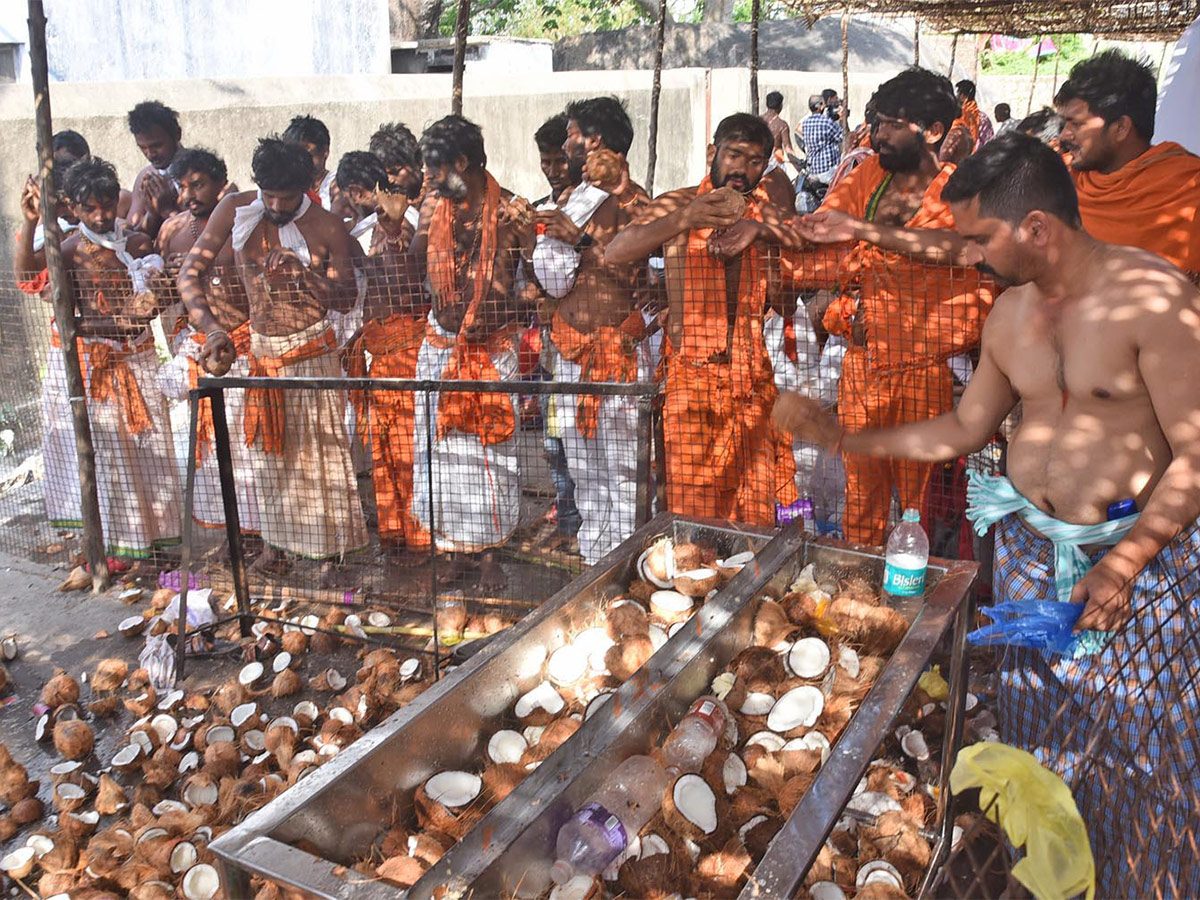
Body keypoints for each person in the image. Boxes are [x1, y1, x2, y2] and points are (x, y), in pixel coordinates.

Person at [774, 133, 1200, 899]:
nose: (967, 255)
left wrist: (1125, 562)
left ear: (1036, 227)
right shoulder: (1008, 314)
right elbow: (964, 430)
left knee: (1143, 756)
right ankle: (1051, 879)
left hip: (1137, 563)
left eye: (978, 237)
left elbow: (1195, 458)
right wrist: (844, 436)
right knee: (1041, 738)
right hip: (1034, 558)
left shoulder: (1156, 297)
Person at [789, 67, 995, 547]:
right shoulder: (868, 177)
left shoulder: (959, 188)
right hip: (862, 366)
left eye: (890, 124)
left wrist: (864, 232)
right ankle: (859, 588)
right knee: (861, 493)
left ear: (933, 131)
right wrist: (766, 230)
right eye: (877, 122)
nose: (876, 134)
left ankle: (913, 600)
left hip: (924, 372)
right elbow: (823, 228)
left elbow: (957, 249)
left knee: (918, 502)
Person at [179, 137, 367, 573]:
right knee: (268, 458)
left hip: (311, 356)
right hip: (262, 355)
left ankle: (330, 558)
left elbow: (344, 298)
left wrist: (306, 277)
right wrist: (211, 330)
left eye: (286, 197)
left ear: (306, 188)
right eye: (269, 194)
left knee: (320, 461)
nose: (276, 205)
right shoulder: (235, 209)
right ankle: (275, 551)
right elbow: (191, 272)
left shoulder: (327, 226)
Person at [606, 113, 800, 525]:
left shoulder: (765, 217)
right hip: (689, 378)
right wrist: (686, 219)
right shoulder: (679, 203)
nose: (742, 169)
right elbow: (616, 251)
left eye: (754, 161)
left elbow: (790, 291)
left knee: (755, 509)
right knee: (692, 510)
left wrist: (763, 235)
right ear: (713, 153)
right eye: (734, 155)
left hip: (750, 378)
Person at [409, 115, 531, 589]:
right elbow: (409, 271)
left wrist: (496, 309)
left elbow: (529, 282)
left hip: (488, 353)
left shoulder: (511, 211)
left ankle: (488, 559)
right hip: (438, 345)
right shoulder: (435, 209)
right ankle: (453, 553)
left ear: (462, 163)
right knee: (439, 454)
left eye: (434, 168)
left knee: (490, 456)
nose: (427, 179)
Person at [535, 104, 643, 564]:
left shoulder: (632, 200)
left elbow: (641, 278)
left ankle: (629, 565)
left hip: (616, 355)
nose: (564, 145)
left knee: (623, 471)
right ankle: (598, 564)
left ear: (595, 141)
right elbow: (555, 282)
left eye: (573, 135)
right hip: (573, 353)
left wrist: (581, 241)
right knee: (582, 469)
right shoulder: (574, 199)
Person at [59, 158, 180, 558]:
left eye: (107, 204)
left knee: (155, 454)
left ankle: (165, 544)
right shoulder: (69, 252)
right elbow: (68, 322)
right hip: (104, 368)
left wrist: (160, 292)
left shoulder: (138, 244)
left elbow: (163, 302)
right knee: (117, 459)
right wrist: (114, 325)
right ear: (72, 209)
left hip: (143, 359)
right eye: (90, 208)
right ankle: (128, 548)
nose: (100, 215)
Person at [160, 147, 260, 534]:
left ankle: (259, 539)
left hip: (243, 349)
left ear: (222, 182)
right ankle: (231, 537)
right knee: (211, 456)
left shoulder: (245, 222)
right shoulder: (171, 231)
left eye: (198, 184)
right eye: (182, 187)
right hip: (201, 349)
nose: (189, 196)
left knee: (247, 453)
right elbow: (171, 295)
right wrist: (161, 285)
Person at [339, 151, 431, 560]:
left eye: (346, 195)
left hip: (405, 351)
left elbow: (407, 289)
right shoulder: (360, 232)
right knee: (384, 450)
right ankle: (394, 533)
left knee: (409, 447)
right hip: (377, 352)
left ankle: (421, 536)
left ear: (359, 192)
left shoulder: (408, 227)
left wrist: (393, 231)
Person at [1055, 50, 1200, 279]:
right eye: (1064, 124)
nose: (1064, 136)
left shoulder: (1189, 189)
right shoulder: (1060, 182)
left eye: (1076, 124)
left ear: (1121, 128)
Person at [529, 113, 581, 548]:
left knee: (586, 445)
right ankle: (567, 522)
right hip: (552, 349)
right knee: (554, 442)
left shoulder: (589, 208)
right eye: (546, 161)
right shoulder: (540, 209)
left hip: (586, 348)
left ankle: (584, 526)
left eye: (558, 160)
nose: (551, 169)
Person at [126, 101, 184, 239]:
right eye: (143, 148)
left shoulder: (199, 173)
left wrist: (168, 210)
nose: (150, 154)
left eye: (156, 145)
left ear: (177, 135)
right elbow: (135, 237)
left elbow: (206, 233)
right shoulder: (146, 177)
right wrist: (152, 214)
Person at [283, 114, 339, 212]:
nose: (299, 159)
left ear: (325, 151)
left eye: (305, 153)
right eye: (293, 153)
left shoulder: (336, 186)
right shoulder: (282, 188)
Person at [800, 93, 844, 184]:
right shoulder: (826, 122)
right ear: (820, 106)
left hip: (813, 170)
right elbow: (842, 136)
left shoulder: (805, 123)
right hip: (827, 171)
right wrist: (842, 119)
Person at [761, 90, 795, 163]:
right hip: (775, 163)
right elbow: (788, 148)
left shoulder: (757, 121)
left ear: (767, 104)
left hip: (759, 161)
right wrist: (797, 162)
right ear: (780, 106)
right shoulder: (782, 125)